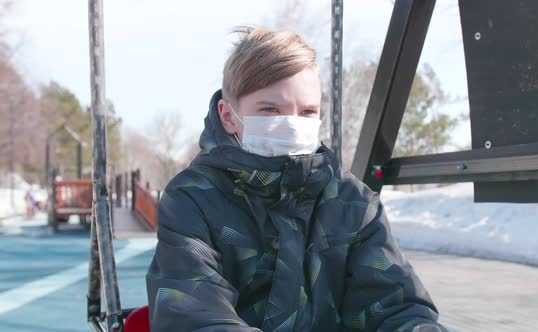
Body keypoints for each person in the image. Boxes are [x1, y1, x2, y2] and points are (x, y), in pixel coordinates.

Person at [146, 27, 447, 332]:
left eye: (306, 111)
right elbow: (194, 314)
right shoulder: (194, 198)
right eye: (270, 109)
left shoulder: (352, 203)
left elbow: (394, 306)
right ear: (228, 115)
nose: (291, 124)